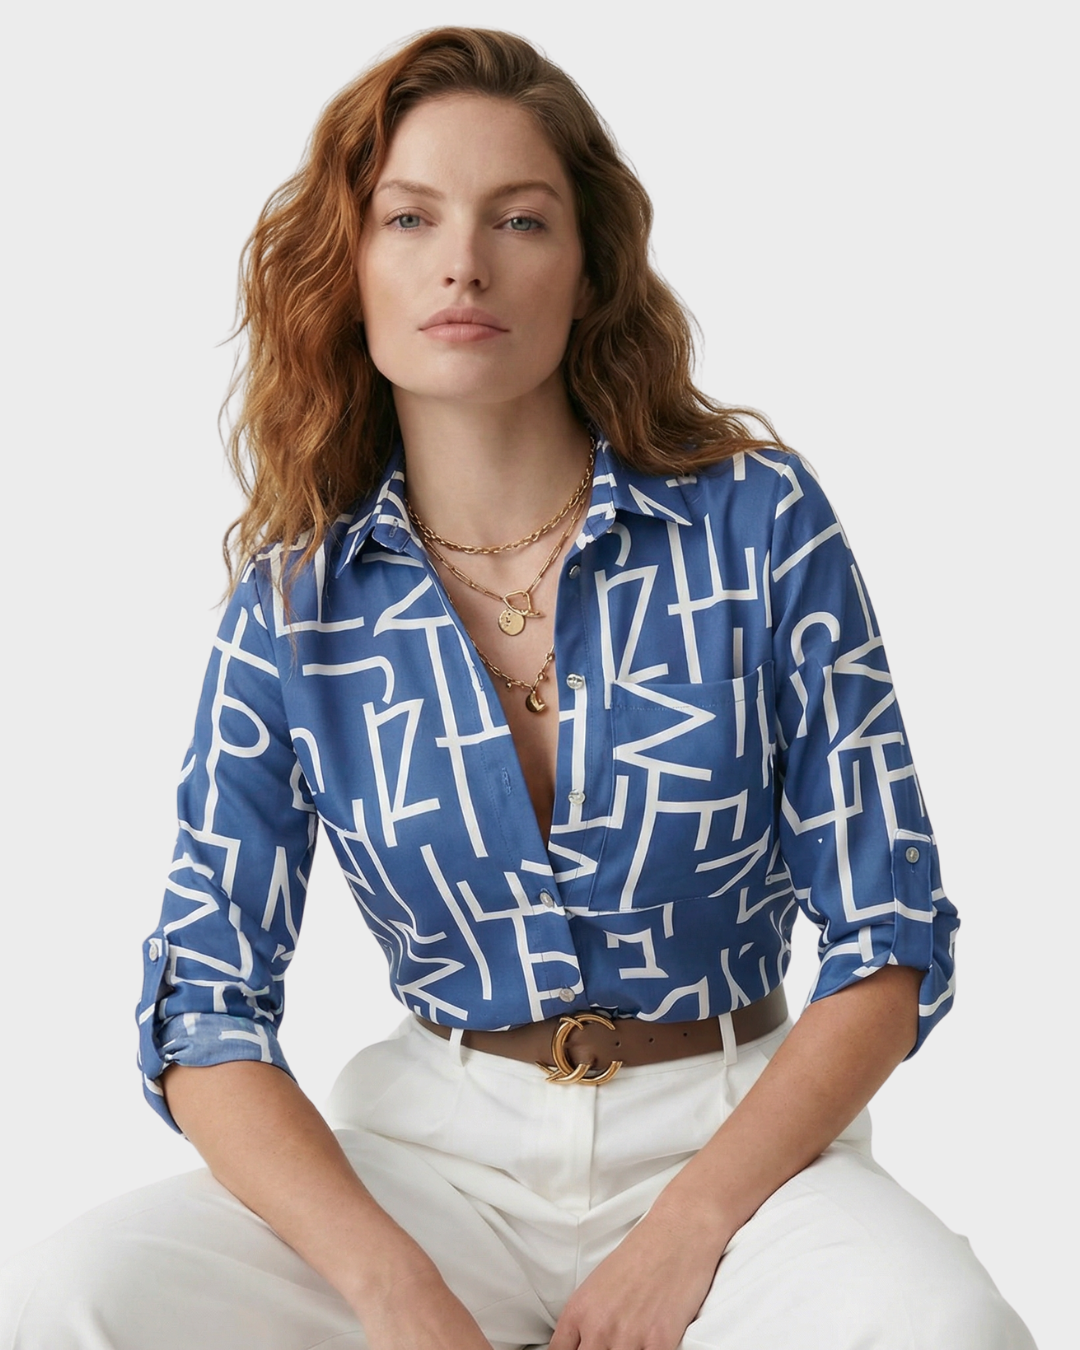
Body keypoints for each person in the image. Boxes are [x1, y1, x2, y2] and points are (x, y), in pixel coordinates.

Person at [0, 25, 1036, 1350]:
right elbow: (204, 1006)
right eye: (410, 218)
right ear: (350, 267)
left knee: (948, 1328)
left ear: (589, 268)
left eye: (520, 219)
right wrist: (393, 1287)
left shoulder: (757, 524)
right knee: (64, 1299)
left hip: (734, 1136)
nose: (463, 263)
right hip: (432, 1157)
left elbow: (888, 937)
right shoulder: (296, 608)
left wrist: (686, 1231)